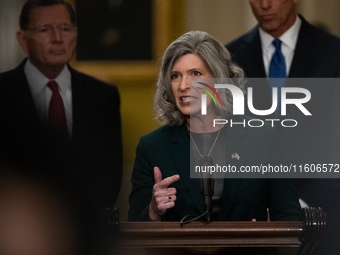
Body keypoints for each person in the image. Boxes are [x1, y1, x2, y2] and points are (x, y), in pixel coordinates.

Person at [128, 31, 300, 222]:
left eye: (195, 73)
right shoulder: (152, 147)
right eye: (175, 76)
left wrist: (265, 236)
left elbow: (288, 216)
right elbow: (133, 228)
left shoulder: (262, 137)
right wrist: (153, 210)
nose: (184, 85)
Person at [0, 0, 122, 254]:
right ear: (23, 40)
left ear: (75, 36)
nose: (58, 38)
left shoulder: (103, 96)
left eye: (65, 29)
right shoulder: (4, 92)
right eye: (45, 29)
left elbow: (111, 175)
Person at [226, 1, 340, 253]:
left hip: (326, 219)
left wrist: (295, 206)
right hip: (252, 224)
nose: (265, 4)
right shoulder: (228, 59)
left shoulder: (334, 53)